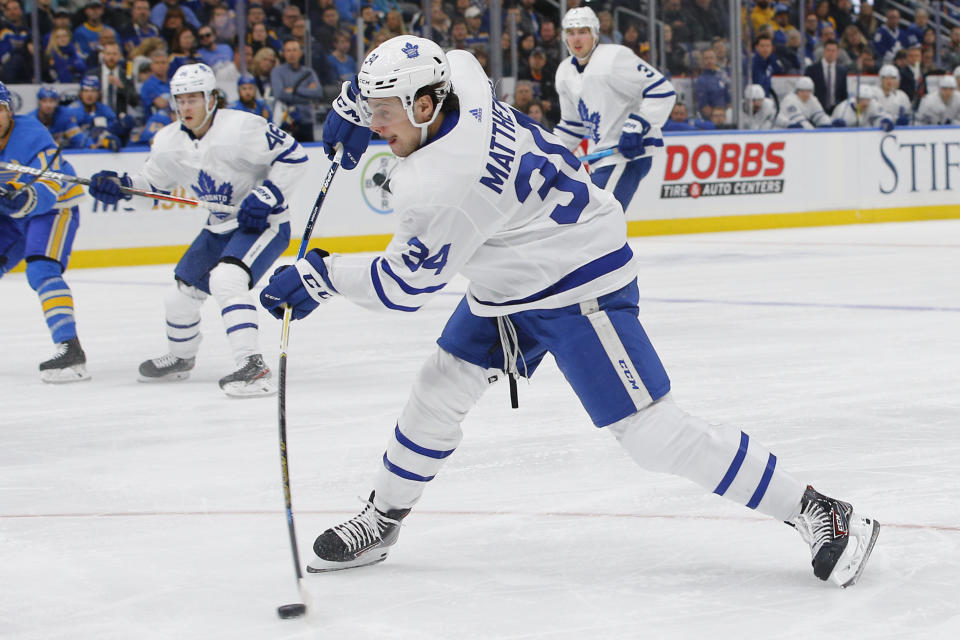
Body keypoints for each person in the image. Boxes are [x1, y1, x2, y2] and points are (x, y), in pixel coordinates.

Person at [260, 36, 881, 588]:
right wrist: (352, 103)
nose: (374, 125)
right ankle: (385, 515)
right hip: (512, 273)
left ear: (426, 106)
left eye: (383, 112)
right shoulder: (465, 75)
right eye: (371, 110)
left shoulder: (441, 186)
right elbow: (439, 60)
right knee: (438, 386)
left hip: (576, 278)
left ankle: (819, 510)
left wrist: (320, 274)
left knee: (652, 435)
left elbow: (400, 286)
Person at [86, 63, 308, 397]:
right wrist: (120, 186)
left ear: (211, 98)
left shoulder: (242, 127)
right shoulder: (167, 141)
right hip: (218, 226)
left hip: (263, 222)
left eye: (193, 99)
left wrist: (267, 195)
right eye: (180, 100)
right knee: (179, 297)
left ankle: (253, 365)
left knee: (226, 279)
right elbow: (151, 188)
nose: (186, 107)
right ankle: (180, 358)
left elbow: (294, 155)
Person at [0, 82, 89, 382]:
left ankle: (71, 349)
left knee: (41, 269)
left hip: (54, 208)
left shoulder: (32, 134)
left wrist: (22, 196)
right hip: (9, 215)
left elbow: (49, 187)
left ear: (10, 111)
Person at [554, 7, 675, 214]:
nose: (577, 39)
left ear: (594, 34)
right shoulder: (564, 71)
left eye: (582, 32)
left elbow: (662, 90)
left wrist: (637, 124)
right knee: (596, 221)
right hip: (600, 158)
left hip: (628, 154)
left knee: (596, 218)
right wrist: (549, 151)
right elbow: (572, 127)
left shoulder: (615, 58)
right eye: (571, 33)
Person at [271, 39, 326, 142]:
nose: (291, 54)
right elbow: (280, 94)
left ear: (300, 53)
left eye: (294, 50)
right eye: (288, 50)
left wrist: (294, 90)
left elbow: (318, 93)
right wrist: (307, 94)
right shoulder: (277, 71)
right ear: (284, 53)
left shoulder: (308, 72)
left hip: (306, 120)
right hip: (286, 121)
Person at [805, 39, 847, 114]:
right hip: (816, 110)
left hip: (836, 110)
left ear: (837, 52)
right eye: (828, 50)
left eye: (833, 51)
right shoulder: (812, 69)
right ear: (824, 51)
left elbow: (843, 94)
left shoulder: (842, 71)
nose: (831, 53)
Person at [830, 85, 894, 130]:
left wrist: (884, 122)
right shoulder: (843, 109)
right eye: (862, 99)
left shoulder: (873, 104)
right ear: (855, 99)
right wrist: (836, 127)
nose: (865, 103)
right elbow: (831, 125)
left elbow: (883, 117)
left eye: (867, 99)